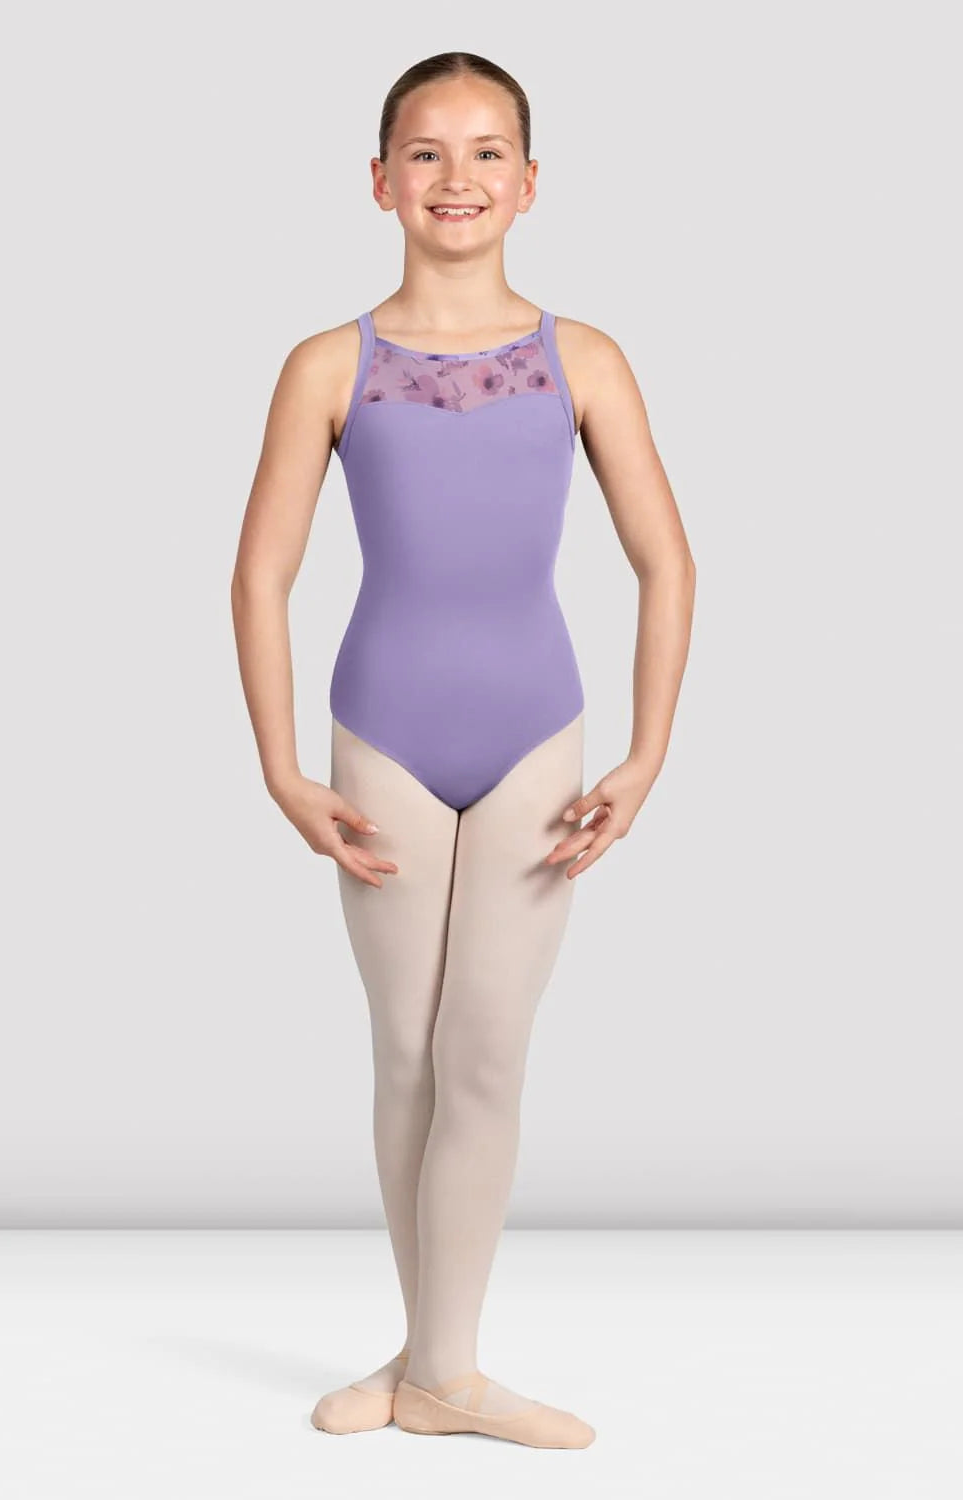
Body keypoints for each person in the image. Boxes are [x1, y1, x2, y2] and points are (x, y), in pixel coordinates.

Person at [230, 51, 696, 1449]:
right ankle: (434, 1366)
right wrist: (281, 769)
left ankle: (438, 1373)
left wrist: (646, 755)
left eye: (488, 152)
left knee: (484, 1051)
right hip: (381, 734)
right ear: (380, 181)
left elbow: (667, 564)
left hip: (535, 739)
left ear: (531, 184)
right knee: (406, 1054)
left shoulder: (583, 357)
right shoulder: (328, 364)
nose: (457, 177)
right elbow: (261, 575)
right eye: (426, 153)